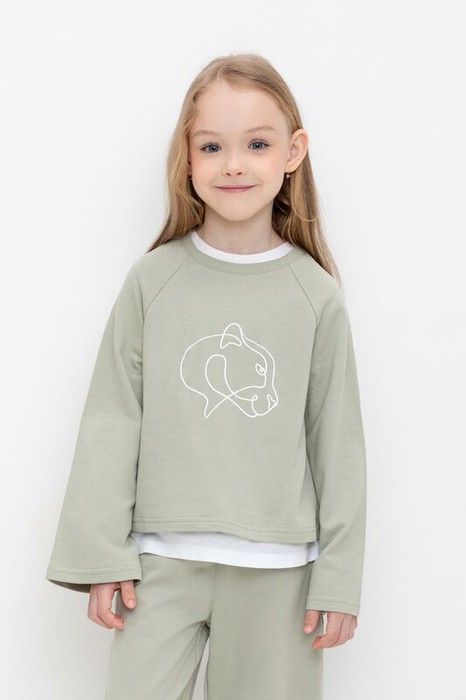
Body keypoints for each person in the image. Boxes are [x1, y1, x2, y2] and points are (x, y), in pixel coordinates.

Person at [45, 52, 367, 700]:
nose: (234, 164)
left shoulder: (314, 296)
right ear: (187, 158)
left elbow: (338, 445)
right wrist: (103, 553)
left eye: (257, 144)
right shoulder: (153, 281)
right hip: (158, 565)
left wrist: (338, 577)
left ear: (293, 152)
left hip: (279, 573)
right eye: (212, 146)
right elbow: (112, 418)